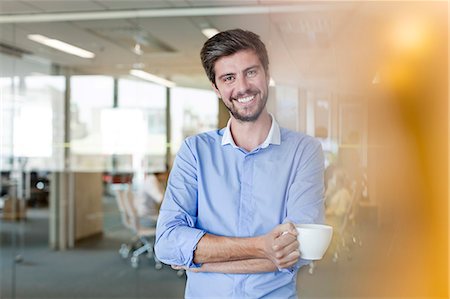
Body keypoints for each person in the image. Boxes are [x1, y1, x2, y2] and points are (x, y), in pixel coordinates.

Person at [155, 29, 325, 299]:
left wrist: (200, 261)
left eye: (251, 72)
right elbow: (167, 243)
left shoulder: (304, 151)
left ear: (267, 75)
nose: (243, 87)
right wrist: (263, 246)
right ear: (216, 88)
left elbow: (300, 250)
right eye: (229, 78)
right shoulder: (195, 152)